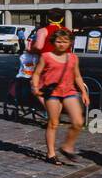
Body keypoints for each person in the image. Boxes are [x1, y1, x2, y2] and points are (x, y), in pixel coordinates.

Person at [31, 29, 89, 166]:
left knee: (78, 122)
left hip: (69, 91)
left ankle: (67, 147)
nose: (62, 45)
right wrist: (35, 87)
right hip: (52, 93)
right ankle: (51, 153)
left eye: (65, 42)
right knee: (53, 122)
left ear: (70, 43)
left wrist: (84, 92)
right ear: (53, 42)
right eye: (58, 41)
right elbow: (36, 74)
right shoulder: (46, 56)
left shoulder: (73, 57)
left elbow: (77, 76)